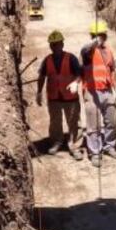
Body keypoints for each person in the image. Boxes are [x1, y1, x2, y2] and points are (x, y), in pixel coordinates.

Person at [35, 30, 84, 160]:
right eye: (53, 44)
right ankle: (57, 141)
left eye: (58, 44)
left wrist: (76, 82)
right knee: (55, 122)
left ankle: (75, 146)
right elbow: (42, 76)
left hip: (70, 98)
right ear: (50, 46)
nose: (55, 47)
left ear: (62, 44)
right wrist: (39, 92)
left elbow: (79, 74)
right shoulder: (47, 60)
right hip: (54, 97)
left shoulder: (71, 58)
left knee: (73, 122)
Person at [81, 20, 116, 167]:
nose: (100, 38)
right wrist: (93, 43)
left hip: (107, 91)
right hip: (91, 92)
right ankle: (95, 152)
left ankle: (110, 146)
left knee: (112, 122)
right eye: (97, 36)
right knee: (93, 125)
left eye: (102, 35)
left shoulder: (109, 51)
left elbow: (112, 71)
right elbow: (84, 49)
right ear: (92, 36)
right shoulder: (87, 52)